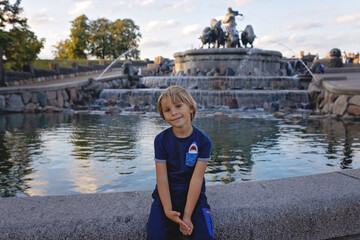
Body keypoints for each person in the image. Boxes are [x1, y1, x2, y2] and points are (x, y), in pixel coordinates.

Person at [146, 85, 214, 240]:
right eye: (167, 110)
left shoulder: (204, 142)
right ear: (163, 116)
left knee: (205, 236)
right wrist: (168, 210)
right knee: (155, 235)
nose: (174, 112)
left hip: (194, 199)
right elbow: (161, 179)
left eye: (178, 106)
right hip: (166, 198)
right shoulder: (161, 140)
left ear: (190, 108)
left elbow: (197, 180)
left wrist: (187, 216)